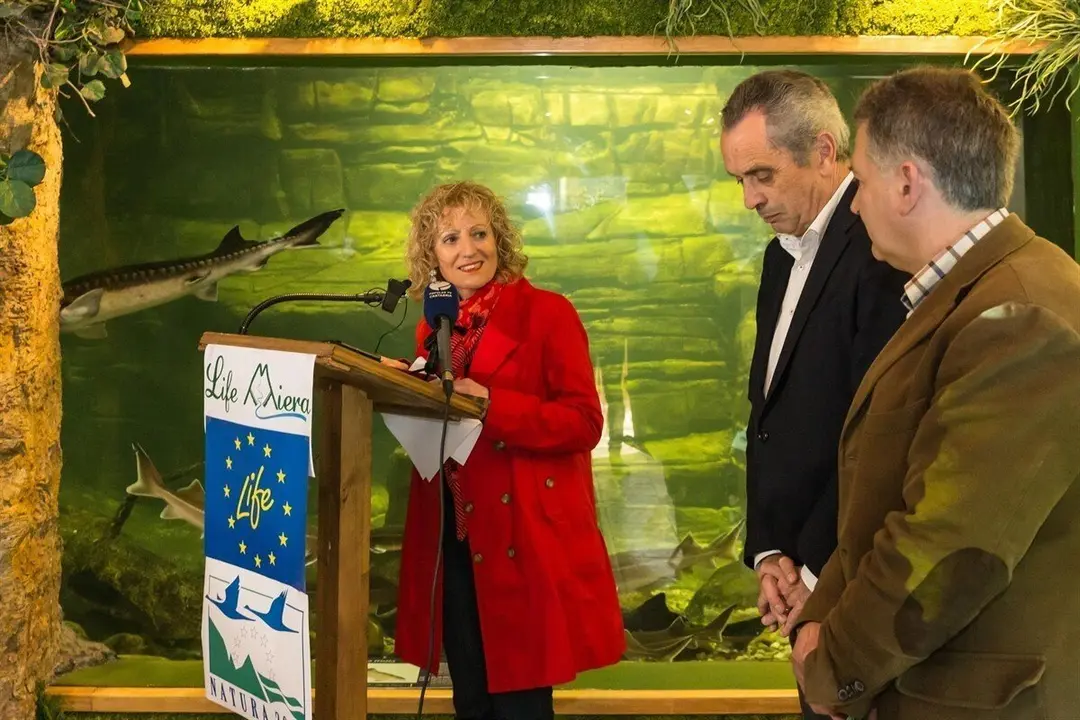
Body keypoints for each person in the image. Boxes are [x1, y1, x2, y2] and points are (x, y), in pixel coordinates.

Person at [790, 66, 1080, 720]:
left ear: (906, 182)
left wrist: (835, 665)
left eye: (860, 182)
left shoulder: (1023, 315)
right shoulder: (971, 293)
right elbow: (887, 497)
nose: (854, 205)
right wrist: (818, 618)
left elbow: (949, 546)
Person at [388, 180, 626, 720]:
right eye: (450, 239)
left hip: (521, 539)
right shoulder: (434, 326)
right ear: (431, 256)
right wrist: (408, 384)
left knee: (521, 705)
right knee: (471, 701)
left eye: (479, 233)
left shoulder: (549, 313)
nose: (468, 250)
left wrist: (492, 405)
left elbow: (585, 422)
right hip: (454, 537)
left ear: (500, 239)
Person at [719, 69, 909, 718]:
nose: (750, 199)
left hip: (859, 574)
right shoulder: (779, 254)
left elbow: (879, 429)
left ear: (825, 151)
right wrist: (770, 551)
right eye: (739, 180)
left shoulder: (881, 246)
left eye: (762, 175)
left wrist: (811, 571)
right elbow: (768, 415)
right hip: (800, 573)